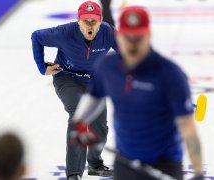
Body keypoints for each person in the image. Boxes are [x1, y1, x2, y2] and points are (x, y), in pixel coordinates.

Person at [71, 6, 204, 180]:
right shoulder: (107, 67)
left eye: (138, 38)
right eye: (128, 37)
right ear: (119, 37)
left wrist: (199, 173)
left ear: (149, 35)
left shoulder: (170, 74)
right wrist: (80, 123)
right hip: (125, 162)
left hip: (164, 164)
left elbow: (187, 127)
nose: (132, 43)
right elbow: (94, 96)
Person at [30, 1, 118, 179]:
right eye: (86, 21)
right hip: (67, 78)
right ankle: (74, 173)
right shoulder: (63, 33)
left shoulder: (108, 33)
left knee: (99, 125)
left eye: (94, 21)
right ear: (78, 21)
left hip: (95, 82)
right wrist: (42, 67)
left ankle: (95, 164)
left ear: (101, 20)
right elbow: (36, 36)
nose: (90, 26)